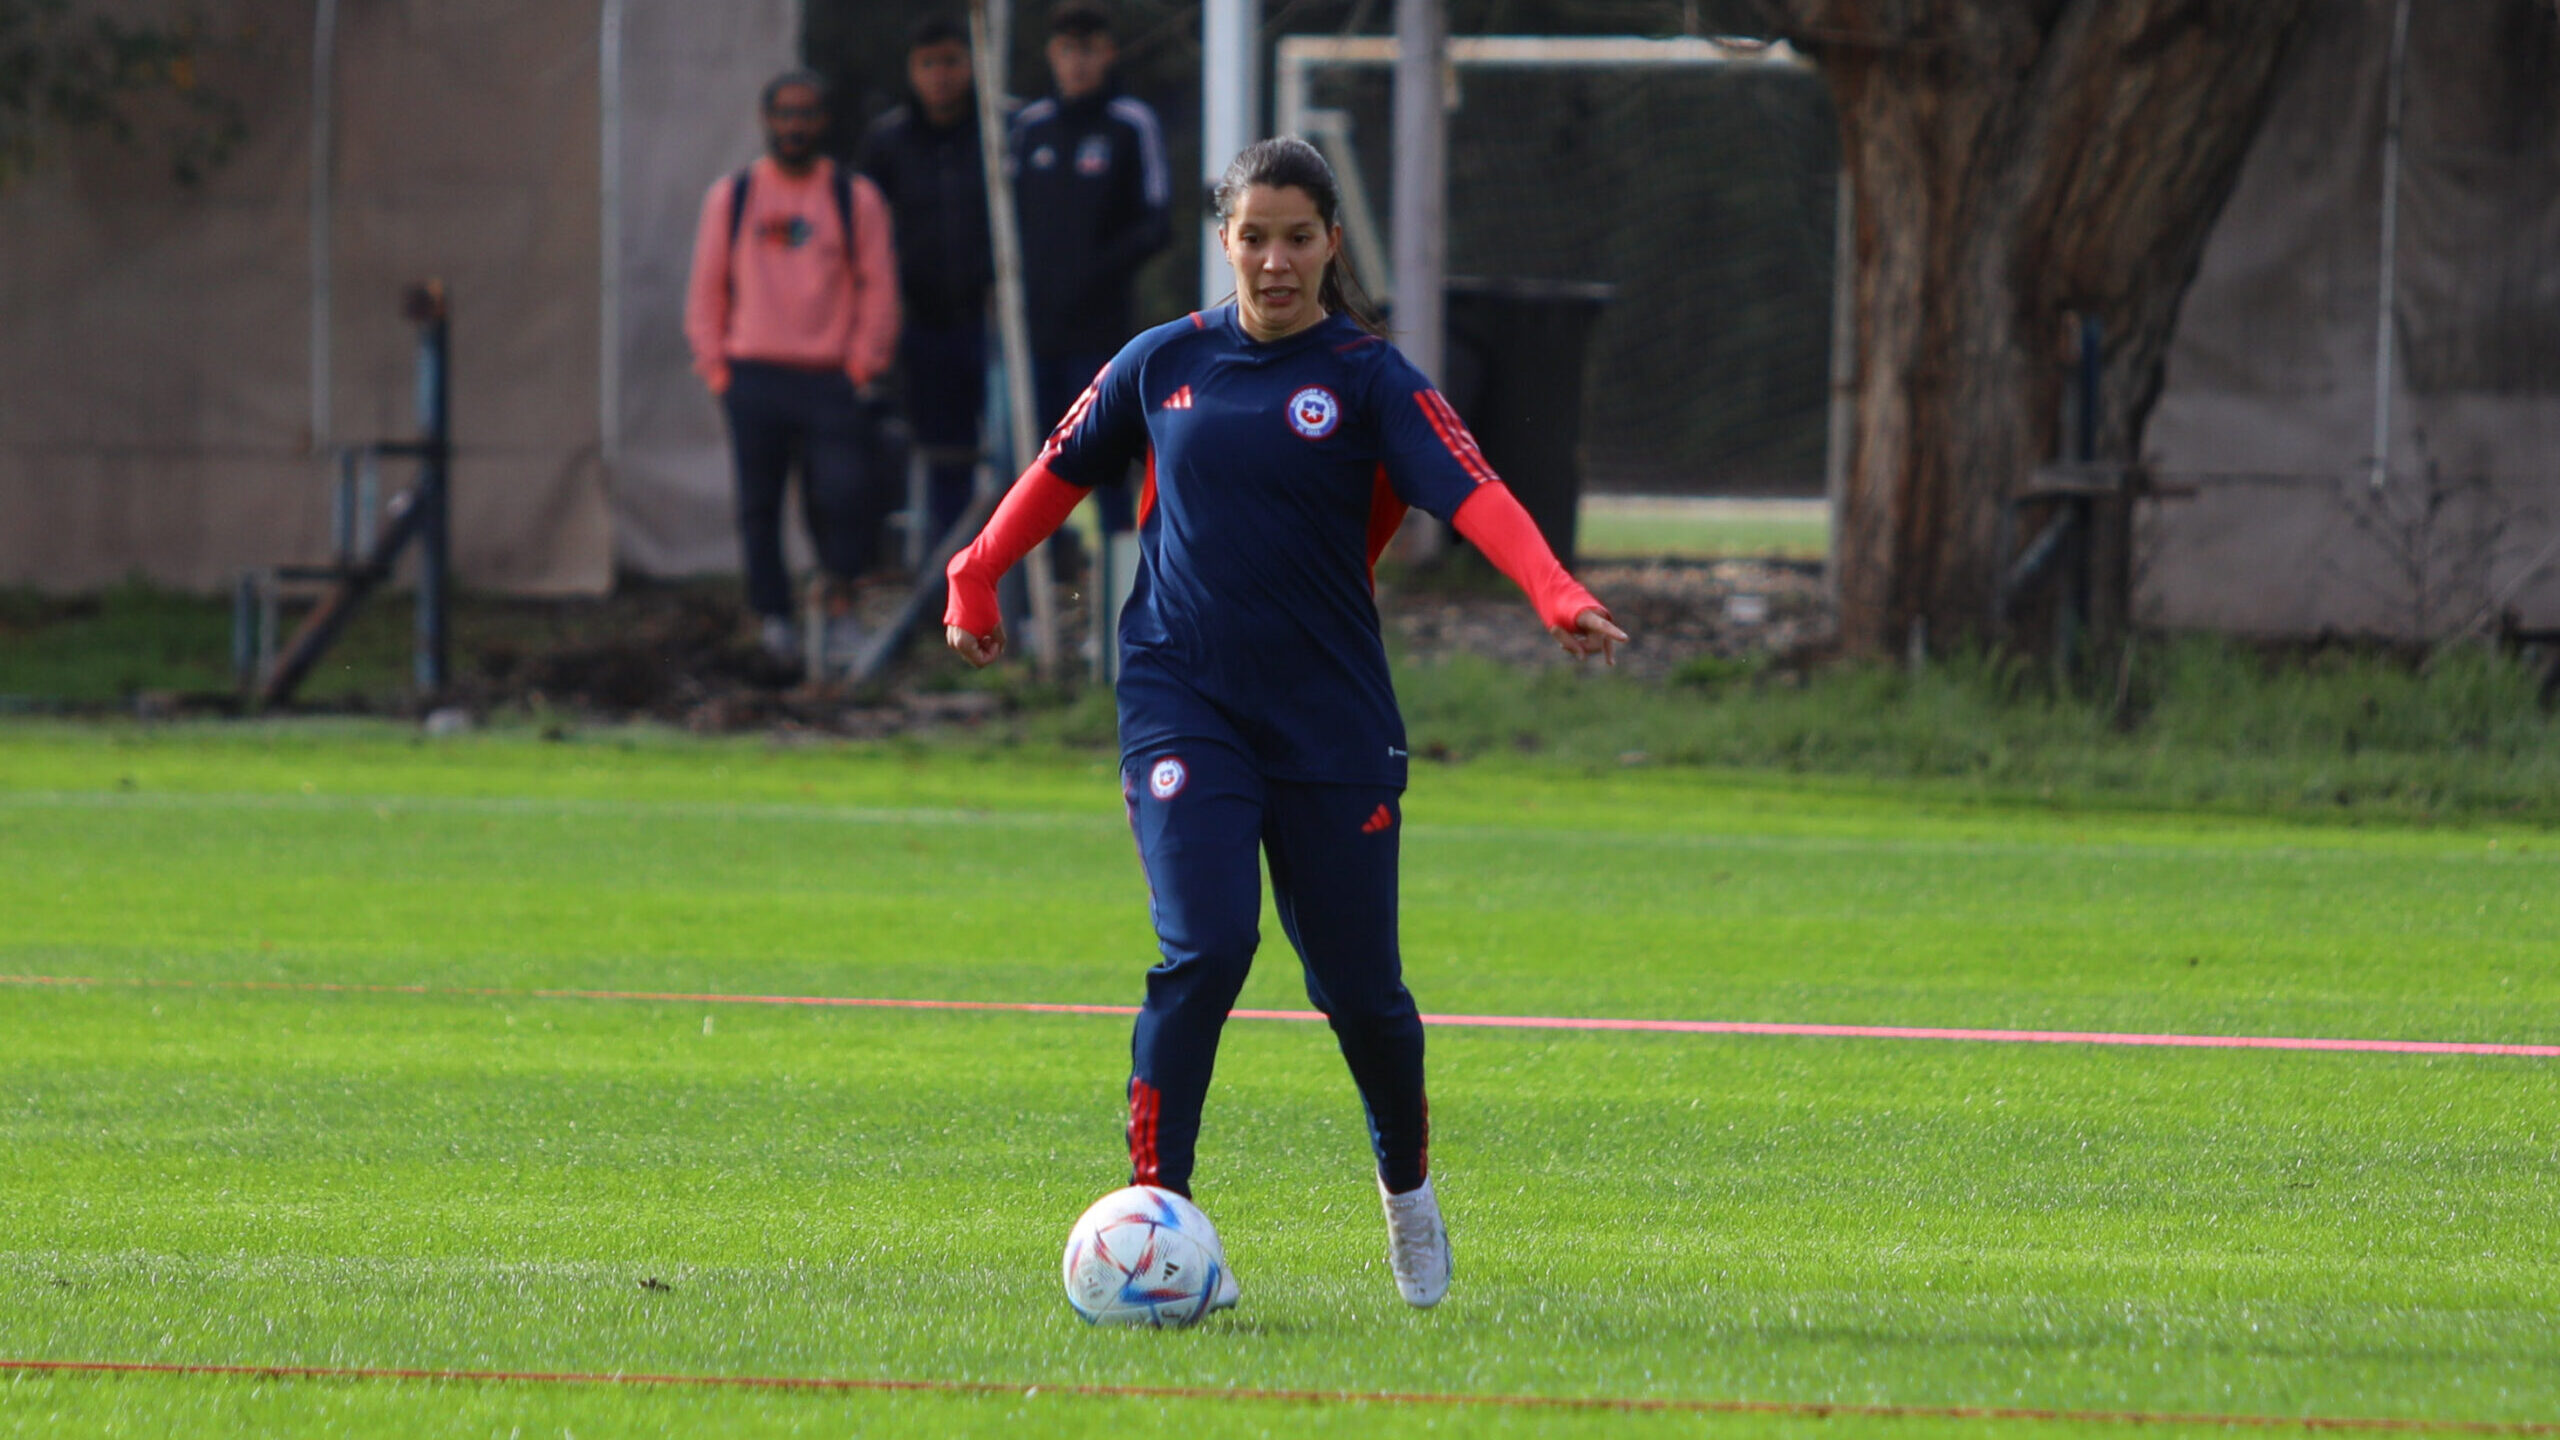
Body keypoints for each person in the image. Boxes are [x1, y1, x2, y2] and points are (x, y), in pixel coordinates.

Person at [943, 137, 1628, 1313]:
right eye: (1252, 236)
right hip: (1181, 698)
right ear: (1225, 240)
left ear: (1330, 246)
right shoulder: (1164, 364)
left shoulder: (1368, 380)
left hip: (1327, 718)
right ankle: (1157, 1221)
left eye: (1296, 237)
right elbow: (1059, 466)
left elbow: (1473, 489)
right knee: (1204, 947)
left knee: (1361, 995)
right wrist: (976, 574)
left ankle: (1407, 1198)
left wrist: (1553, 592)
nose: (1273, 261)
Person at [684, 69, 900, 668]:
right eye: (785, 113)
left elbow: (878, 289)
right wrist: (717, 368)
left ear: (823, 122)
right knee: (758, 504)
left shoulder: (852, 199)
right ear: (767, 119)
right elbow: (706, 292)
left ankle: (838, 611)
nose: (796, 126)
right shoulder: (733, 198)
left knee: (840, 497)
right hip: (753, 374)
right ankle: (773, 618)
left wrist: (862, 365)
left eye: (807, 114)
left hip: (829, 376)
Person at [1008, 0, 1170, 547]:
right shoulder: (1030, 127)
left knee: (1106, 461)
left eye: (1089, 49)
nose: (1077, 63)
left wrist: (1095, 271)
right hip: (1032, 331)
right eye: (1067, 50)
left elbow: (1157, 220)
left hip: (1101, 333)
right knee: (1031, 462)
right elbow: (1004, 224)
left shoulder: (1130, 124)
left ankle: (1120, 593)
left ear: (1107, 53)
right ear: (1053, 55)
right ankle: (1036, 594)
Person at [860, 15, 995, 561]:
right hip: (924, 322)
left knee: (1018, 449)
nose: (941, 76)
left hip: (995, 322)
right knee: (943, 453)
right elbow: (861, 228)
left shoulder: (1004, 127)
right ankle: (948, 569)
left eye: (951, 62)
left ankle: (1023, 585)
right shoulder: (888, 141)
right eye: (929, 65)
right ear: (913, 72)